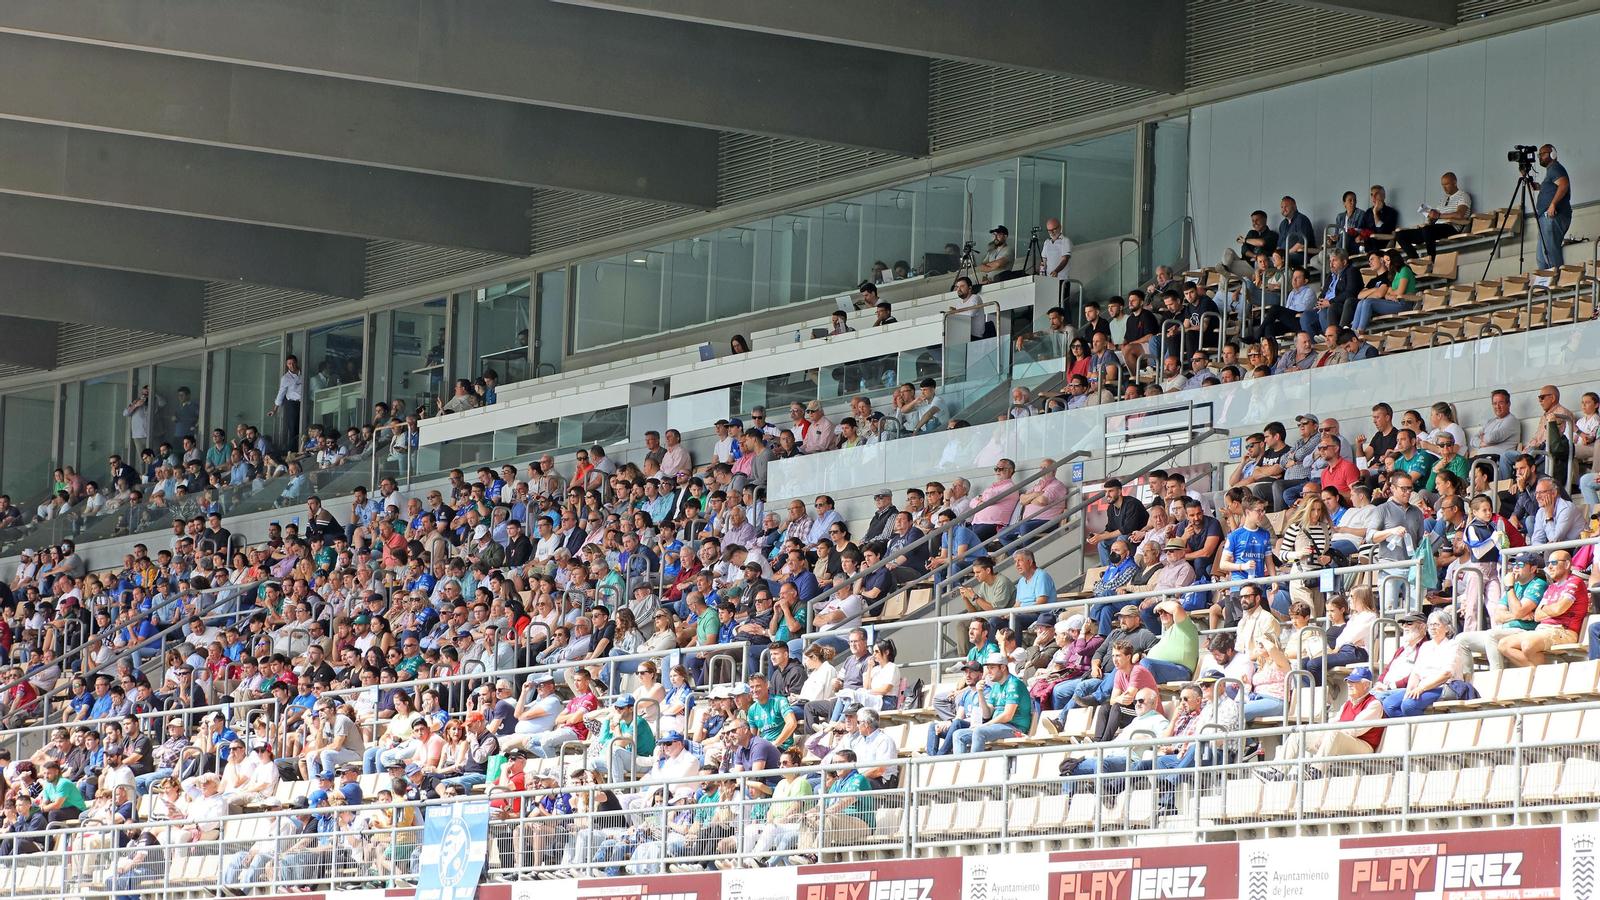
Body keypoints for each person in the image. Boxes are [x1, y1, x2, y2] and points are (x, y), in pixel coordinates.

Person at [1266, 666, 1384, 778]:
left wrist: (1329, 733)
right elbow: (1333, 722)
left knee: (1333, 733)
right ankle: (1277, 773)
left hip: (1364, 747)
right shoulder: (1347, 703)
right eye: (1348, 681)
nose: (1349, 684)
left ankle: (1316, 771)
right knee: (1298, 735)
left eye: (1354, 682)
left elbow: (1354, 730)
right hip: (1340, 742)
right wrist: (1323, 733)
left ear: (1366, 684)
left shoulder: (1374, 704)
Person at [1499, 549, 1585, 668]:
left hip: (1563, 630)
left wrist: (1547, 609)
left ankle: (1541, 679)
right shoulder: (1552, 587)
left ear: (1566, 564)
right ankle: (1537, 674)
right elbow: (1538, 616)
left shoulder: (1575, 582)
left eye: (1554, 563)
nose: (1550, 567)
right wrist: (1551, 609)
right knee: (1504, 644)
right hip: (1543, 629)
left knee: (1528, 645)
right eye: (1548, 563)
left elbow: (1558, 610)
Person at [1377, 610, 1466, 717]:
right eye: (1430, 625)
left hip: (1443, 687)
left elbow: (1446, 675)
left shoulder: (1453, 646)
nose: (1433, 628)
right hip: (1422, 686)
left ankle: (1422, 728)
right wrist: (1409, 691)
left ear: (1447, 628)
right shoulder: (1426, 646)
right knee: (1389, 704)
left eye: (1437, 624)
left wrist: (1421, 688)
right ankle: (1413, 728)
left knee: (1409, 705)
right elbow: (1416, 673)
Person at [949, 654, 1032, 753]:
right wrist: (980, 693)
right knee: (958, 735)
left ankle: (973, 766)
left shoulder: (1014, 684)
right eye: (988, 668)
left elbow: (1007, 715)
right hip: (998, 726)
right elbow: (986, 714)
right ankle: (960, 766)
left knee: (979, 731)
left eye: (992, 668)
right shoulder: (996, 686)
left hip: (1015, 727)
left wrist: (985, 725)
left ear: (1003, 667)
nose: (989, 672)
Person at [1395, 172, 1472, 261]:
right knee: (1400, 234)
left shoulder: (1463, 195)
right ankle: (1416, 260)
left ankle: (1431, 260)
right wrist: (1431, 218)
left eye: (1447, 184)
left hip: (1451, 227)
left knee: (1427, 230)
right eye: (1442, 185)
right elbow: (1435, 219)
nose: (1444, 187)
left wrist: (1439, 215)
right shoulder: (1443, 199)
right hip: (1435, 228)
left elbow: (1459, 215)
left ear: (1455, 183)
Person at [1532, 144, 1571, 269]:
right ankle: (1545, 285)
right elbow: (1555, 186)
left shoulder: (1555, 168)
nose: (1540, 157)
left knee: (1550, 254)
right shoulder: (1551, 172)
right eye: (1539, 155)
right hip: (1545, 218)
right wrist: (1541, 187)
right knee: (1541, 257)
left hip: (1553, 216)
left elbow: (1564, 184)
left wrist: (1552, 204)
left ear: (1552, 154)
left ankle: (1555, 282)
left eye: (1543, 154)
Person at [269, 354, 304, 446]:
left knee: (304, 425)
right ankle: (292, 449)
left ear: (296, 363)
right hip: (292, 404)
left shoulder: (303, 373)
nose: (291, 366)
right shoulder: (285, 378)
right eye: (289, 364)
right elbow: (281, 393)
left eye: (293, 363)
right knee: (293, 428)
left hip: (304, 403)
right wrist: (275, 409)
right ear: (286, 365)